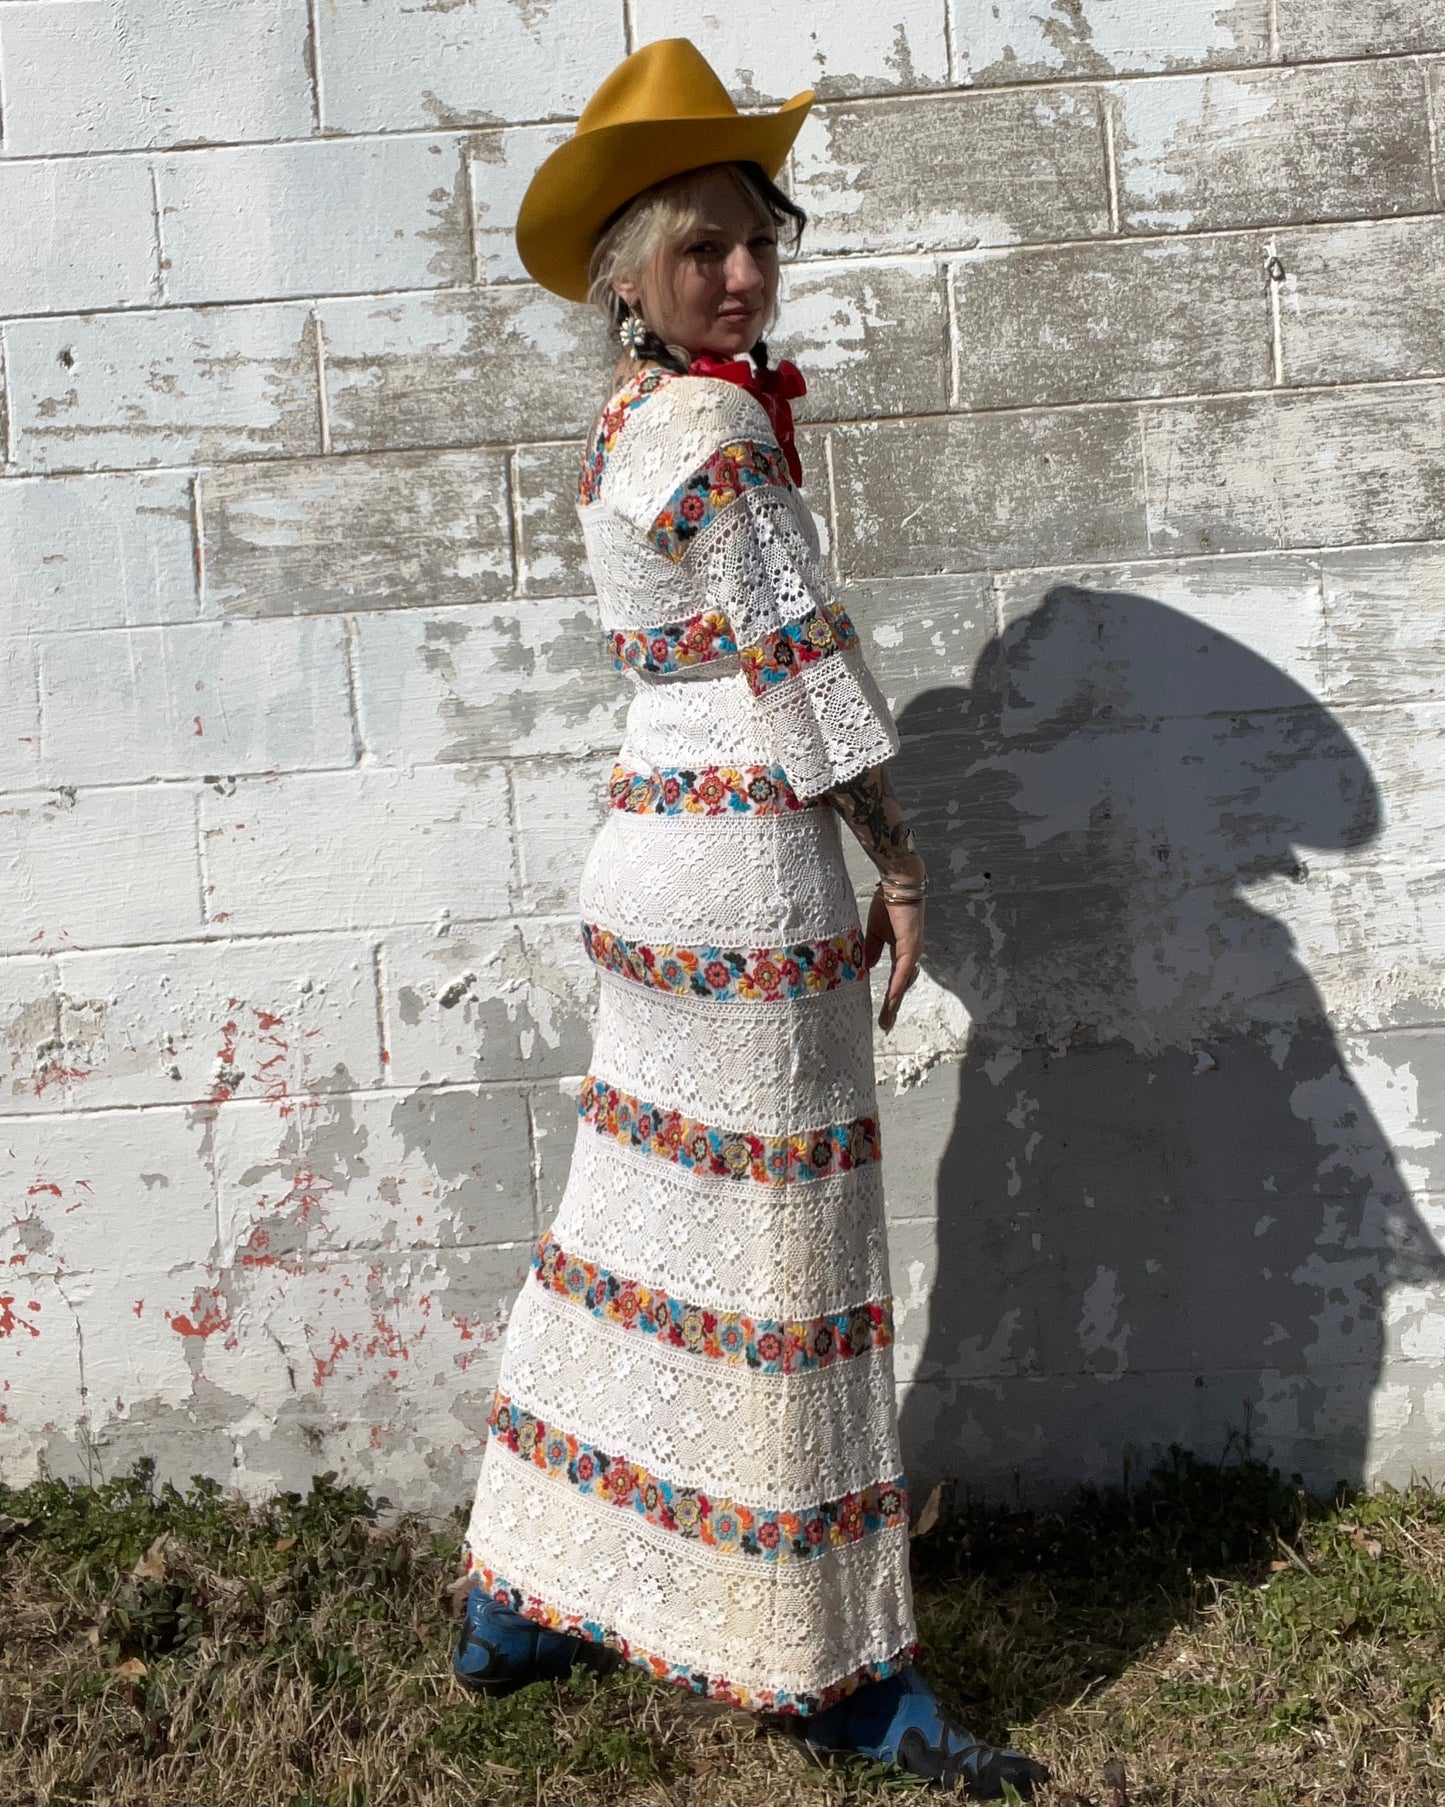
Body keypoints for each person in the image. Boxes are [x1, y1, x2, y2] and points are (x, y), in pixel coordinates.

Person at [452, 37, 1049, 1800]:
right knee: (787, 1267)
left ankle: (525, 1588)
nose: (739, 271)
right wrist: (906, 863)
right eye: (701, 245)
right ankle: (834, 1668)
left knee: (631, 1227)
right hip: (741, 871)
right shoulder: (710, 421)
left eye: (756, 239)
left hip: (646, 856)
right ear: (628, 274)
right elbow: (804, 669)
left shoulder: (627, 424)